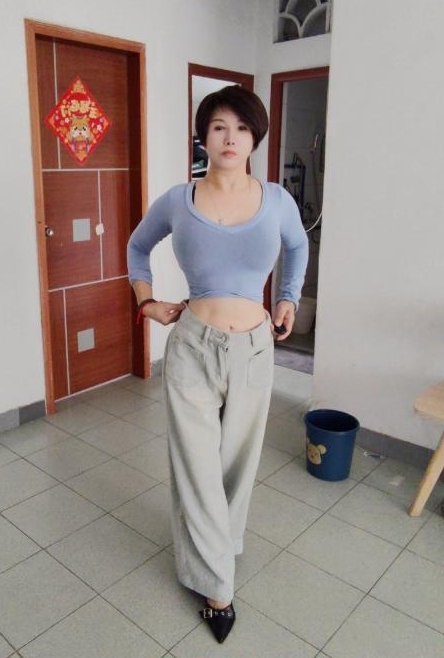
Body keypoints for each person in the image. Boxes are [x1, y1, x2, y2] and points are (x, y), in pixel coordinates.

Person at [127, 85, 308, 644]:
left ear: (255, 138)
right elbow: (137, 248)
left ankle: (220, 548)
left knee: (236, 464)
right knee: (197, 467)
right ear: (203, 137)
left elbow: (297, 247)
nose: (231, 138)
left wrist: (289, 298)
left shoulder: (277, 200)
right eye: (219, 127)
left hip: (254, 349)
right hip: (192, 348)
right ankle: (217, 587)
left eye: (242, 128)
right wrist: (147, 302)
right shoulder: (177, 200)